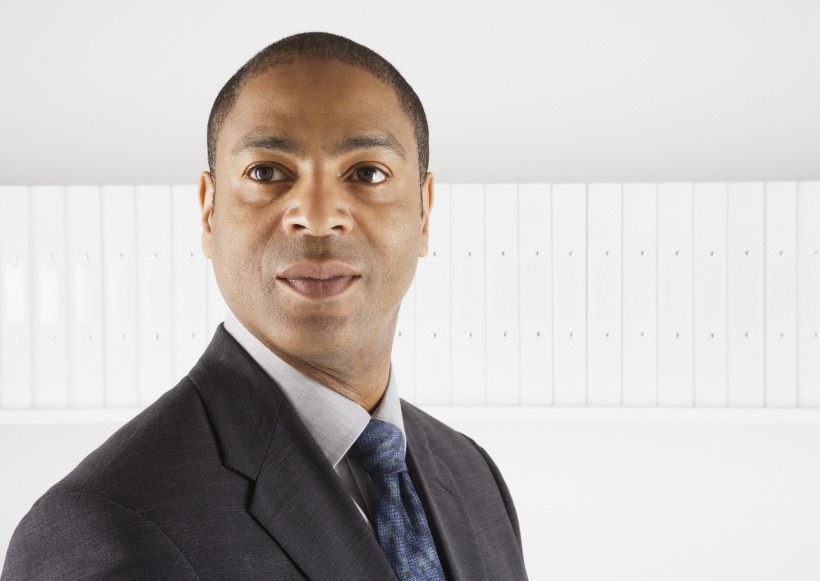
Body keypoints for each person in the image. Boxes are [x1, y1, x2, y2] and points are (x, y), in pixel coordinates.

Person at [1, 32, 528, 580]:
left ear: (424, 211)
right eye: (267, 172)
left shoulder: (473, 477)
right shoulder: (103, 527)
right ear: (209, 212)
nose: (318, 217)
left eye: (367, 173)